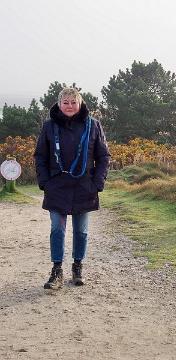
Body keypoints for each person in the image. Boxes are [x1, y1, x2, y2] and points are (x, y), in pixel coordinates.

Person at [34, 87, 110, 290]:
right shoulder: (49, 127)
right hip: (57, 186)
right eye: (65, 102)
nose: (69, 106)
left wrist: (97, 183)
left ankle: (77, 267)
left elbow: (103, 157)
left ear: (80, 104)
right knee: (57, 229)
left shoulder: (93, 126)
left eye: (73, 102)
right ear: (59, 104)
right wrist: (45, 182)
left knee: (81, 231)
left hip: (84, 186)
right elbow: (40, 156)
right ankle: (56, 270)